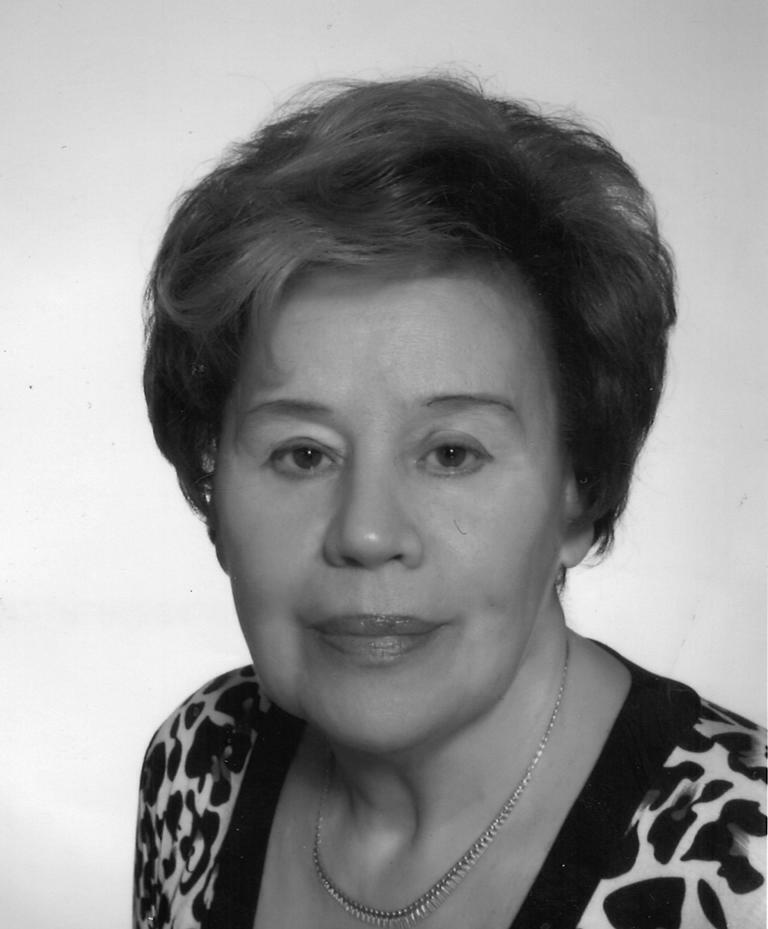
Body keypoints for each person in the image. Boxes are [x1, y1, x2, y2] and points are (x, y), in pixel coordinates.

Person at [134, 77, 766, 929]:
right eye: (303, 453)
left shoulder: (749, 864)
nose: (366, 532)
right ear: (215, 488)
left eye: (452, 453)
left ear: (578, 493)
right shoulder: (200, 759)